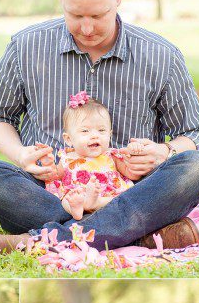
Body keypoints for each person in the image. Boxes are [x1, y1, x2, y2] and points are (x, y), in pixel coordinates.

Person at [0, 0, 199, 257]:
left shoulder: (160, 55)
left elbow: (195, 132)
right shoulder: (26, 46)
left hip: (131, 192)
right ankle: (137, 235)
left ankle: (44, 239)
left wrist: (164, 152)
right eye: (75, 14)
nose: (86, 28)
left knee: (198, 168)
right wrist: (19, 154)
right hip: (50, 193)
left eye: (98, 15)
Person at [46, 91, 134, 219]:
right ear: (69, 139)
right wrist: (47, 163)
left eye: (101, 130)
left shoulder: (112, 155)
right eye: (85, 131)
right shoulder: (67, 158)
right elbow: (55, 176)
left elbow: (130, 173)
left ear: (109, 134)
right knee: (65, 198)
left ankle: (95, 203)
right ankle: (75, 209)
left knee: (118, 199)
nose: (94, 135)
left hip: (105, 196)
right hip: (77, 195)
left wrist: (132, 154)